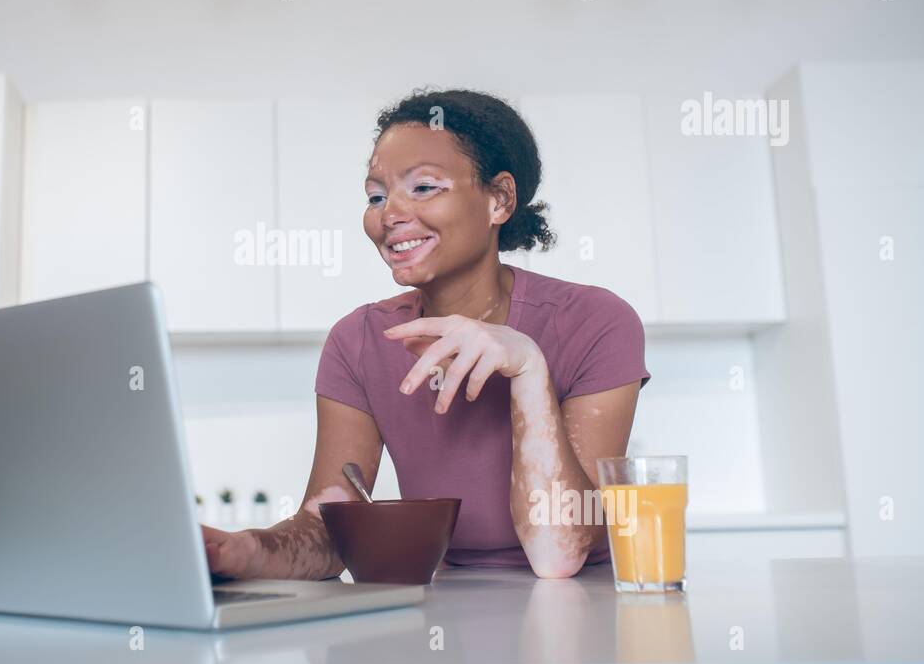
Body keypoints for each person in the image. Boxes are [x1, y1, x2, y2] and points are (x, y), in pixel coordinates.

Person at [202, 88, 651, 579]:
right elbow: (329, 532)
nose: (389, 214)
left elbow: (560, 552)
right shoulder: (358, 341)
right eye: (376, 195)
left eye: (423, 188)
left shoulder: (594, 320)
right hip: (447, 602)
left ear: (498, 200)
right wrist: (241, 551)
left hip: (587, 602)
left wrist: (527, 367)